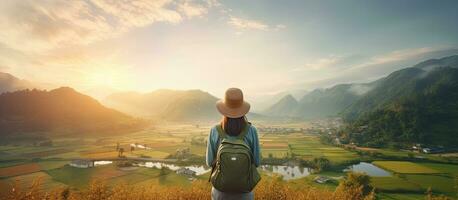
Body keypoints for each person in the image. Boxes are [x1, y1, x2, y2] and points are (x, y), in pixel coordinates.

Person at [206, 88, 261, 200]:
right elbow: (257, 162)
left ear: (223, 109)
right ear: (243, 109)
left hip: (220, 192)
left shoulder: (214, 131)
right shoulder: (252, 131)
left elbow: (209, 162)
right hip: (244, 192)